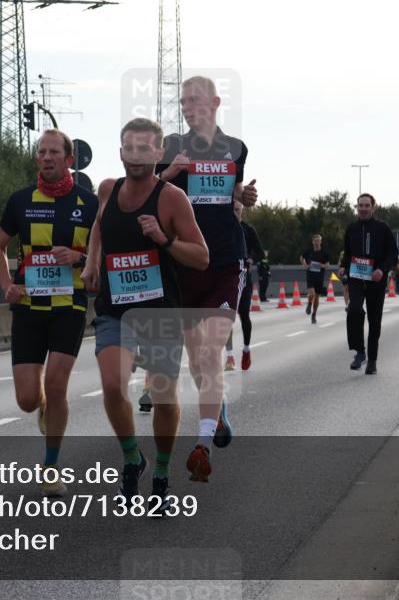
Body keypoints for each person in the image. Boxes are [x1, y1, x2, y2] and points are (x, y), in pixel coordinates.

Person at [82, 117, 208, 505]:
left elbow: (201, 257)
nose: (135, 155)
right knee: (113, 384)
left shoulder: (172, 198)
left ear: (158, 153)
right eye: (129, 148)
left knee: (164, 395)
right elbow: (99, 228)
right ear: (120, 152)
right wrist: (91, 261)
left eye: (144, 148)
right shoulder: (107, 189)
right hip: (115, 308)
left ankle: (162, 471)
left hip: (159, 310)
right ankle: (132, 456)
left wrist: (164, 238)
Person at [156, 75, 258, 479]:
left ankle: (202, 443)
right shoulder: (173, 146)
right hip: (184, 265)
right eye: (183, 102)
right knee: (198, 358)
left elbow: (234, 198)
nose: (187, 107)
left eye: (194, 100)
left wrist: (243, 196)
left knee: (211, 351)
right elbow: (147, 192)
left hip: (224, 262)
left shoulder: (237, 148)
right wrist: (169, 173)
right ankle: (219, 413)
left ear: (214, 103)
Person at [0, 129, 98, 498]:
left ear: (70, 160)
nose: (47, 157)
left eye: (54, 152)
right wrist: (8, 285)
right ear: (37, 159)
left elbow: (105, 254)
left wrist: (80, 258)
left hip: (70, 305)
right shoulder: (20, 201)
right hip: (29, 307)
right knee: (27, 399)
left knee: (57, 384)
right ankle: (42, 410)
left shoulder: (90, 202)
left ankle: (51, 466)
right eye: (41, 152)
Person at [338, 193, 398, 376]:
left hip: (376, 280)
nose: (363, 209)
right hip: (356, 277)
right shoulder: (352, 228)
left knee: (374, 320)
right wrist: (342, 267)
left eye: (366, 205)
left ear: (373, 208)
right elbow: (347, 254)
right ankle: (359, 352)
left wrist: (382, 269)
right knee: (354, 310)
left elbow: (393, 255)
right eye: (360, 206)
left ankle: (372, 360)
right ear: (356, 208)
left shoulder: (382, 228)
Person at [225, 201, 264, 370]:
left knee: (244, 317)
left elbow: (260, 251)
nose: (235, 213)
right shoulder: (222, 229)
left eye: (238, 210)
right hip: (226, 279)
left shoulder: (248, 229)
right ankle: (229, 356)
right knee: (225, 319)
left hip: (244, 279)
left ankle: (246, 349)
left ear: (242, 211)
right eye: (233, 210)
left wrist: (251, 258)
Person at [300, 234, 331, 324]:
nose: (317, 242)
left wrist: (322, 265)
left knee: (317, 297)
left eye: (318, 241)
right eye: (315, 241)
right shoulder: (308, 251)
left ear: (321, 242)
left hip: (320, 276)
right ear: (312, 242)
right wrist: (304, 264)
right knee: (312, 294)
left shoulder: (325, 252)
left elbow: (328, 265)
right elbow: (301, 257)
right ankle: (309, 304)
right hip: (310, 275)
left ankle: (314, 315)